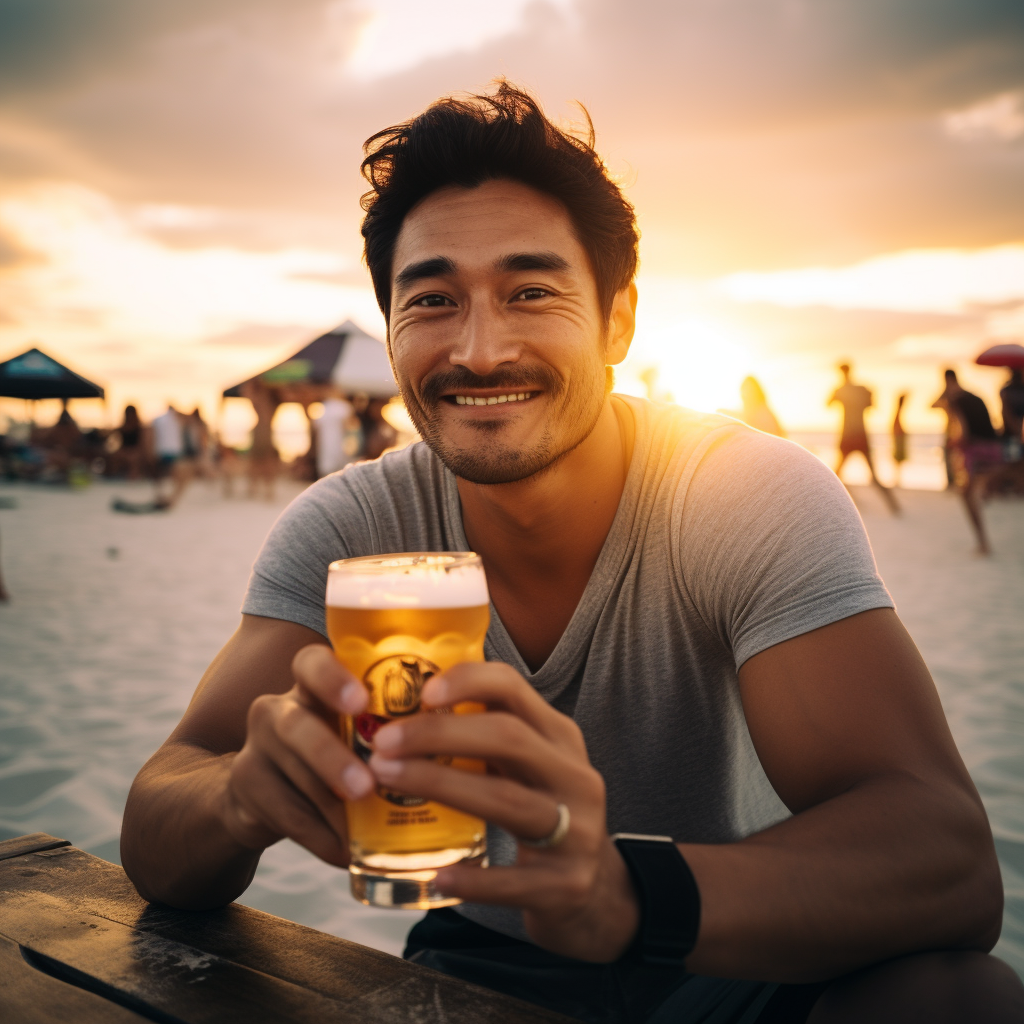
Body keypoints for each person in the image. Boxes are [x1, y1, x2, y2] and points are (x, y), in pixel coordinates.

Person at [121, 85, 1022, 1023]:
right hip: (483, 950)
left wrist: (620, 893)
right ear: (390, 327)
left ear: (617, 321)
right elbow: (158, 819)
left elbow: (948, 862)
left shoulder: (736, 495)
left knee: (960, 999)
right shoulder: (352, 530)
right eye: (431, 299)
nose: (477, 349)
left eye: (531, 291)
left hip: (728, 937)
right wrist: (238, 796)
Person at [933, 370, 1003, 555]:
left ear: (947, 380)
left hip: (975, 451)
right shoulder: (975, 396)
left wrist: (952, 443)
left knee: (966, 495)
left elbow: (963, 431)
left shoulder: (955, 400)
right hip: (993, 450)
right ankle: (986, 491)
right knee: (977, 488)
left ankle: (983, 543)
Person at [828, 363, 899, 513]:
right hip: (861, 435)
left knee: (835, 476)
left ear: (841, 372)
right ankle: (893, 506)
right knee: (872, 477)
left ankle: (842, 504)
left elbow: (827, 404)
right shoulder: (862, 389)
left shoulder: (841, 390)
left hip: (848, 435)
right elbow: (872, 405)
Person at [1000, 368, 1024, 460]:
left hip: (1012, 434)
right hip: (1014, 434)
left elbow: (1005, 414)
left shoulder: (1006, 391)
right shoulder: (1010, 391)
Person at [891, 393, 908, 488]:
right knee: (898, 459)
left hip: (899, 437)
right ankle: (896, 479)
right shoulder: (898, 410)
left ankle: (897, 478)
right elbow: (895, 424)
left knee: (898, 460)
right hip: (899, 438)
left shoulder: (898, 410)